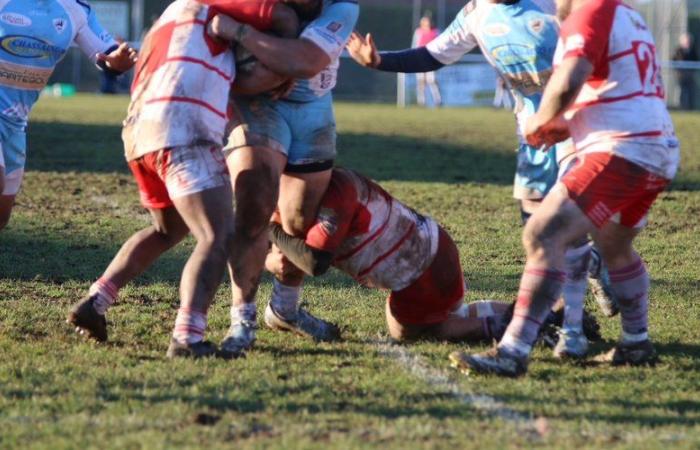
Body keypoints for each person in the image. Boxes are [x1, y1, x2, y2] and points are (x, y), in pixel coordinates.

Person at [346, 0, 615, 358]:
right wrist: (381, 61)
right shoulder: (476, 14)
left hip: (576, 129)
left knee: (561, 226)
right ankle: (595, 265)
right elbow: (432, 55)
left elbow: (595, 53)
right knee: (539, 235)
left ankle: (574, 332)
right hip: (532, 138)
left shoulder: (552, 6)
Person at [451, 0, 680, 377]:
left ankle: (513, 351)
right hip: (655, 148)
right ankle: (636, 343)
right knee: (615, 246)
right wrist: (562, 127)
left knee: (544, 233)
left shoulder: (590, 11)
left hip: (620, 150)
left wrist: (539, 122)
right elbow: (611, 90)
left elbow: (569, 79)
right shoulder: (626, 14)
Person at [67, 0, 300, 359]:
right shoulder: (214, 4)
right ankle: (188, 337)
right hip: (182, 127)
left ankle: (95, 301)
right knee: (216, 235)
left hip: (139, 130)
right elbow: (283, 17)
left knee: (168, 229)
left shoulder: (169, 14)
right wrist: (289, 64)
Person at [206, 0, 359, 357]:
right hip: (256, 105)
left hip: (313, 109)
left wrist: (244, 36)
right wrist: (270, 69)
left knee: (299, 224)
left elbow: (305, 61)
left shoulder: (343, 7)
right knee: (254, 202)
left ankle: (284, 309)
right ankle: (241, 318)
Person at [265, 167, 513, 342]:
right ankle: (526, 314)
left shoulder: (336, 196)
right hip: (432, 245)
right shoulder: (327, 184)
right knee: (450, 315)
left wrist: (268, 229)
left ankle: (506, 328)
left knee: (414, 332)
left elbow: (314, 261)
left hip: (422, 270)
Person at [0, 0, 138, 231]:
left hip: (16, 123)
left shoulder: (76, 10)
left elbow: (107, 55)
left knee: (1, 217)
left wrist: (118, 62)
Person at [412, 15, 442, 107]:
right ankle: (421, 102)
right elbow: (415, 45)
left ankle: (438, 101)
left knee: (432, 80)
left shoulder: (436, 32)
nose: (427, 24)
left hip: (431, 58)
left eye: (428, 21)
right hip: (420, 58)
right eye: (424, 22)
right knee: (421, 81)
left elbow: (440, 43)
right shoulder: (418, 32)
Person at [673, 33, 698, 111]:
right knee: (682, 91)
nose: (688, 43)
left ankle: (691, 108)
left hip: (690, 75)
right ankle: (682, 107)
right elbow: (674, 60)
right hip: (681, 76)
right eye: (686, 41)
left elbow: (696, 60)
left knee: (691, 91)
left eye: (689, 41)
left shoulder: (693, 51)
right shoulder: (678, 51)